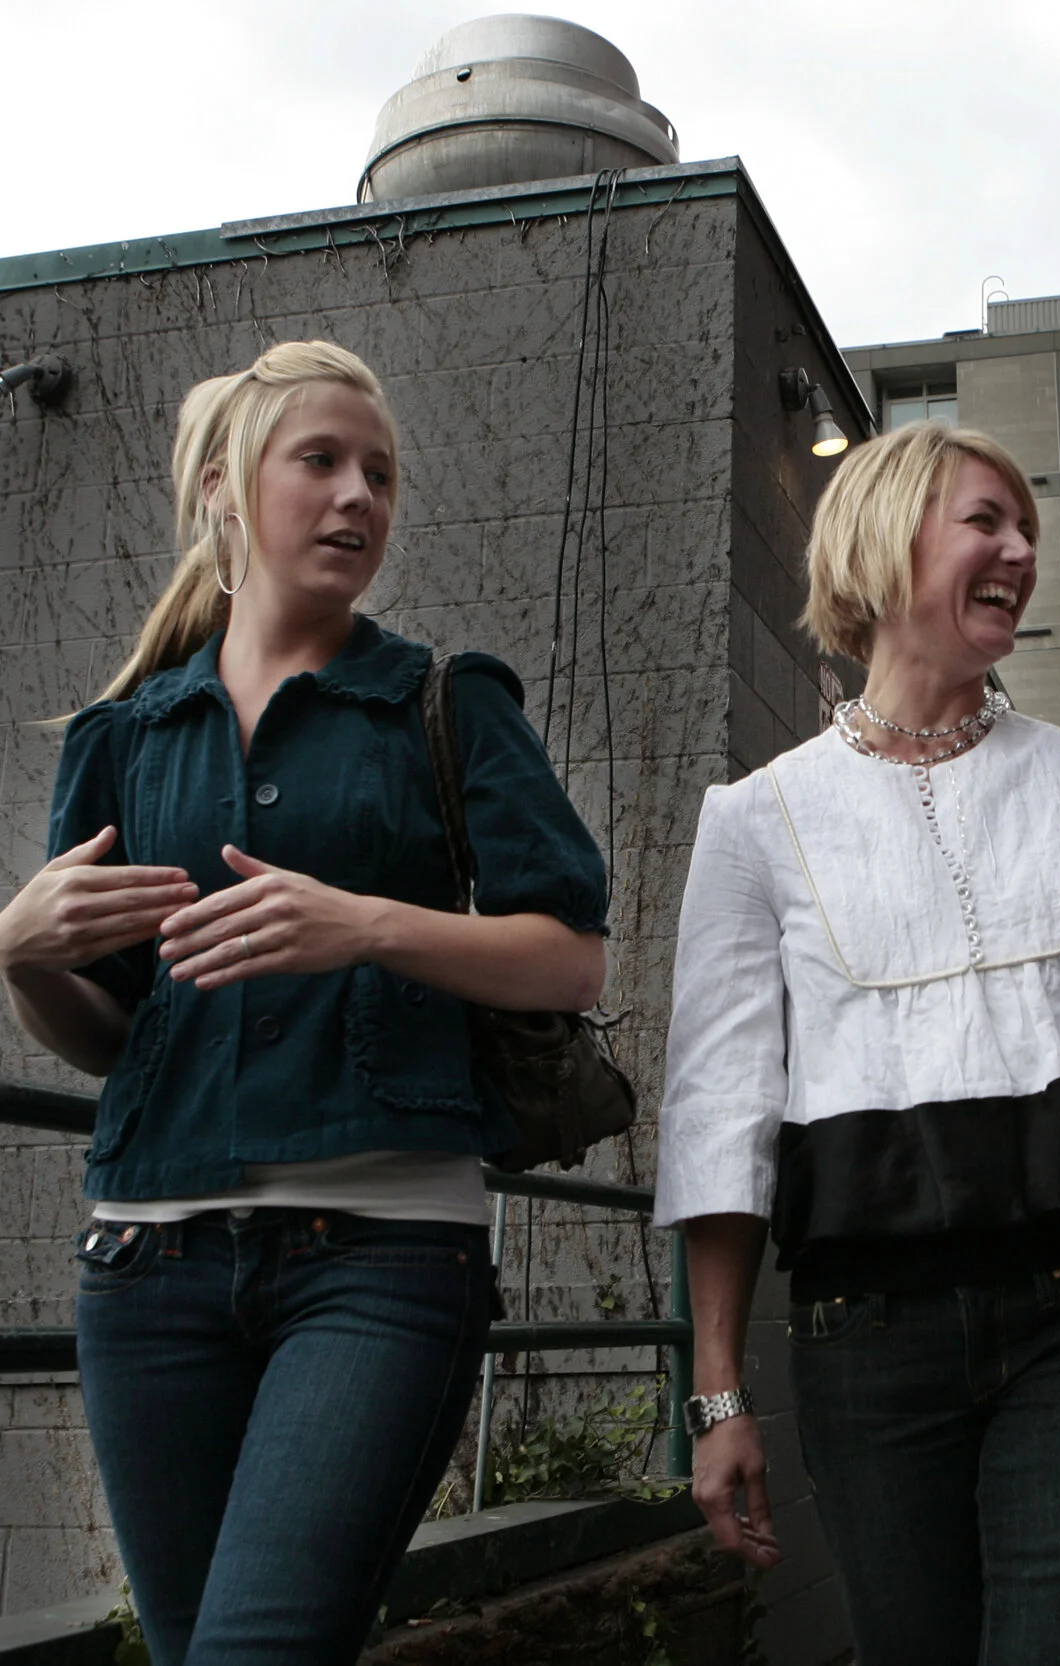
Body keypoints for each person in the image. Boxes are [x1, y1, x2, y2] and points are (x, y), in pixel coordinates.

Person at [0, 342, 608, 1664]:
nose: (357, 497)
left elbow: (571, 960)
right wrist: (23, 954)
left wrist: (365, 923)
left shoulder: (444, 701)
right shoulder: (125, 737)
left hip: (383, 1254)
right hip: (147, 1259)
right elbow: (116, 1040)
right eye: (320, 462)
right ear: (224, 486)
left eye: (379, 474)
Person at [654, 422, 1060, 1666]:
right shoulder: (755, 819)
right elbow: (719, 1110)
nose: (1018, 552)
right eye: (984, 521)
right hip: (865, 1338)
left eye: (1026, 531)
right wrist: (718, 1393)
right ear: (887, 541)